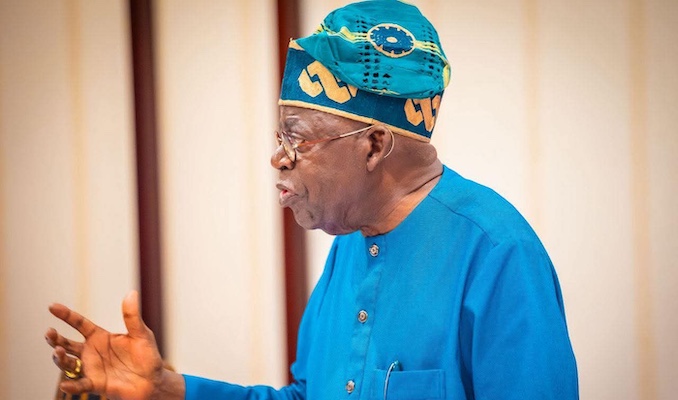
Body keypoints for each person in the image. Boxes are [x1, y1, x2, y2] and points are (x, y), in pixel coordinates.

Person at [46, 1, 579, 399]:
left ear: (375, 145)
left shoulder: (497, 254)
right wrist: (167, 389)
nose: (279, 158)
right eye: (279, 137)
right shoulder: (351, 242)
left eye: (297, 138)